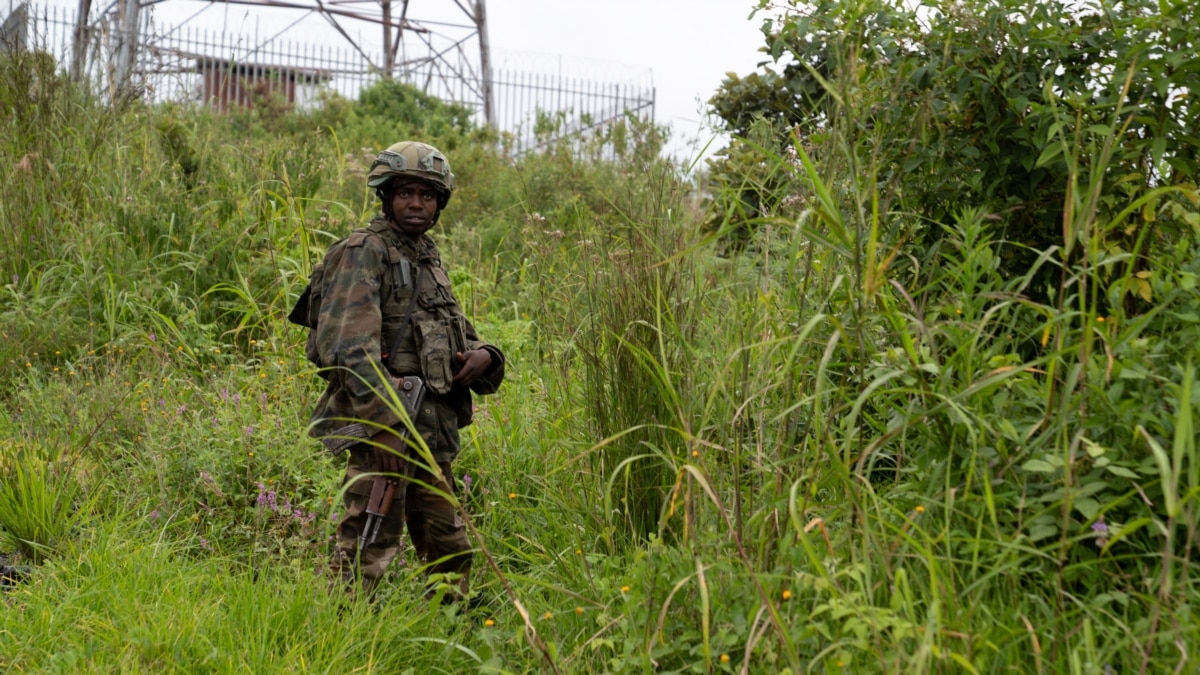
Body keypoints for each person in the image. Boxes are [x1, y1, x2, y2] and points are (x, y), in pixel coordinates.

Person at [306, 141, 505, 600]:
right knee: (367, 546)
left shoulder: (426, 257)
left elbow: (455, 331)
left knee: (448, 545)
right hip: (387, 428)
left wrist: (486, 355)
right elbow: (349, 350)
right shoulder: (363, 251)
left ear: (440, 204)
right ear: (386, 196)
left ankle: (453, 633)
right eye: (405, 193)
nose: (417, 204)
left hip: (432, 431)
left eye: (428, 195)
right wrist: (385, 429)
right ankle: (345, 639)